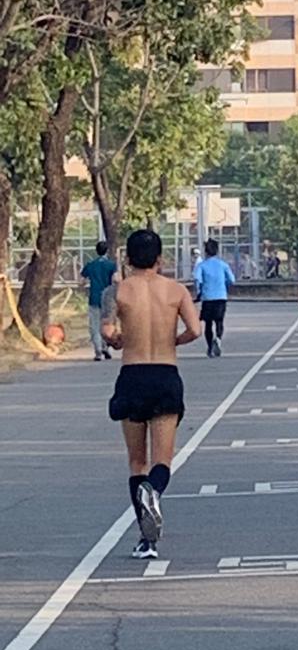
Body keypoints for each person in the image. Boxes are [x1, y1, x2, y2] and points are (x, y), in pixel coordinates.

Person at [102, 229, 200, 560]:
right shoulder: (176, 290)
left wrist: (118, 339)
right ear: (160, 258)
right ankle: (154, 493)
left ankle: (146, 540)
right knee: (162, 460)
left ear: (128, 259)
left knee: (136, 461)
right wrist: (174, 341)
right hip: (165, 375)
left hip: (132, 376)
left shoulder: (117, 291)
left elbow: (108, 331)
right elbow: (195, 330)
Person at [194, 239, 235, 358]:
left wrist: (199, 292)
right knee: (219, 321)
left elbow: (197, 280)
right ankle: (218, 338)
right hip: (221, 297)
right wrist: (225, 286)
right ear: (217, 251)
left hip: (207, 298)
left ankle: (209, 347)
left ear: (206, 251)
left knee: (208, 324)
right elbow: (232, 280)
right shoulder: (223, 265)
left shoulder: (202, 265)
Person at [80, 241, 117, 361]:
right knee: (106, 324)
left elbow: (81, 281)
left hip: (94, 297)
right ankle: (105, 346)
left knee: (95, 325)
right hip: (108, 299)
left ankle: (98, 351)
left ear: (96, 251)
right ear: (107, 251)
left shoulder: (90, 265)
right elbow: (115, 279)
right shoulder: (111, 265)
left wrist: (85, 285)